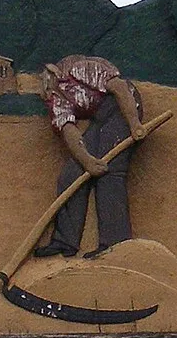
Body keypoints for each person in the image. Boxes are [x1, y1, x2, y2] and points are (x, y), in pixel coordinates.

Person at [32, 55, 146, 257]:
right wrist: (86, 161)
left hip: (122, 106)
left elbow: (119, 88)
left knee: (109, 173)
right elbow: (69, 131)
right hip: (99, 119)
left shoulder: (80, 69)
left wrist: (134, 124)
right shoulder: (56, 99)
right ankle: (64, 242)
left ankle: (114, 244)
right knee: (71, 175)